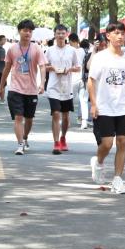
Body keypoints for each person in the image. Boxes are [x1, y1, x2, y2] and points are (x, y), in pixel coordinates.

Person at [88, 22, 125, 194]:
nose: (120, 36)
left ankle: (117, 179)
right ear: (108, 35)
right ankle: (98, 161)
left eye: (123, 33)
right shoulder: (100, 58)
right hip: (104, 107)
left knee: (122, 142)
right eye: (116, 33)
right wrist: (93, 104)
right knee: (107, 143)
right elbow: (91, 81)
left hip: (123, 107)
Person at [0, 20, 46, 155]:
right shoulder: (12, 49)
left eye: (30, 31)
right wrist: (1, 87)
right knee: (18, 117)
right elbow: (6, 68)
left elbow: (42, 66)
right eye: (25, 30)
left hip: (31, 90)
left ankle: (25, 137)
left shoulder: (36, 48)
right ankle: (20, 144)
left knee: (29, 119)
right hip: (15, 89)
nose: (28, 33)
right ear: (19, 31)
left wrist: (42, 83)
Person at [44, 25, 80, 154]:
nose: (60, 35)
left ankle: (63, 137)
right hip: (53, 87)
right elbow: (44, 66)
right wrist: (53, 68)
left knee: (65, 116)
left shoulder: (72, 50)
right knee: (56, 114)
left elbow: (78, 67)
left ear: (66, 34)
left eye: (62, 33)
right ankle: (56, 143)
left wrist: (68, 70)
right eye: (58, 33)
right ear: (54, 34)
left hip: (66, 87)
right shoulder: (49, 50)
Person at [78, 38, 94, 129]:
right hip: (88, 79)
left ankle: (82, 119)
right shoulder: (89, 53)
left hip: (84, 79)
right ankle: (86, 119)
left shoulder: (85, 53)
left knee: (83, 100)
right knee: (86, 99)